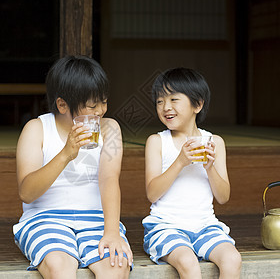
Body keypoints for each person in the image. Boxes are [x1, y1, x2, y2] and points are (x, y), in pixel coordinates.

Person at [13, 55, 133, 279]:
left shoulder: (110, 129)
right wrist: (66, 153)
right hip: (45, 218)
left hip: (97, 217)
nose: (100, 111)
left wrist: (112, 232)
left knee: (116, 267)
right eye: (92, 105)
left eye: (104, 102)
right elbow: (26, 193)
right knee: (59, 268)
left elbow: (109, 180)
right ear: (62, 104)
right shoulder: (37, 129)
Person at [142, 67, 242, 279]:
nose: (165, 107)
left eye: (173, 100)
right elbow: (152, 193)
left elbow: (223, 197)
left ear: (198, 104)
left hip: (205, 226)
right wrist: (180, 161)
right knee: (188, 262)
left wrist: (210, 167)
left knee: (232, 259)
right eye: (160, 101)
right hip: (166, 227)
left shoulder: (214, 142)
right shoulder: (157, 142)